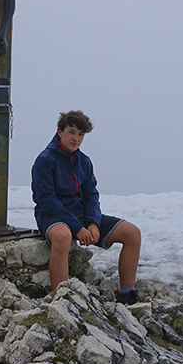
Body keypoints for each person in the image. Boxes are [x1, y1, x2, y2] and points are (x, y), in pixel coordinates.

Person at [31, 110, 142, 304]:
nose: (76, 138)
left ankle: (127, 294)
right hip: (52, 216)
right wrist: (77, 228)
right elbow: (46, 200)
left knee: (132, 233)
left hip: (80, 215)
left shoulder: (84, 161)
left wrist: (93, 223)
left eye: (81, 134)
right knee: (63, 237)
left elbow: (92, 195)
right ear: (60, 132)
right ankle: (61, 298)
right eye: (72, 132)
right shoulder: (44, 160)